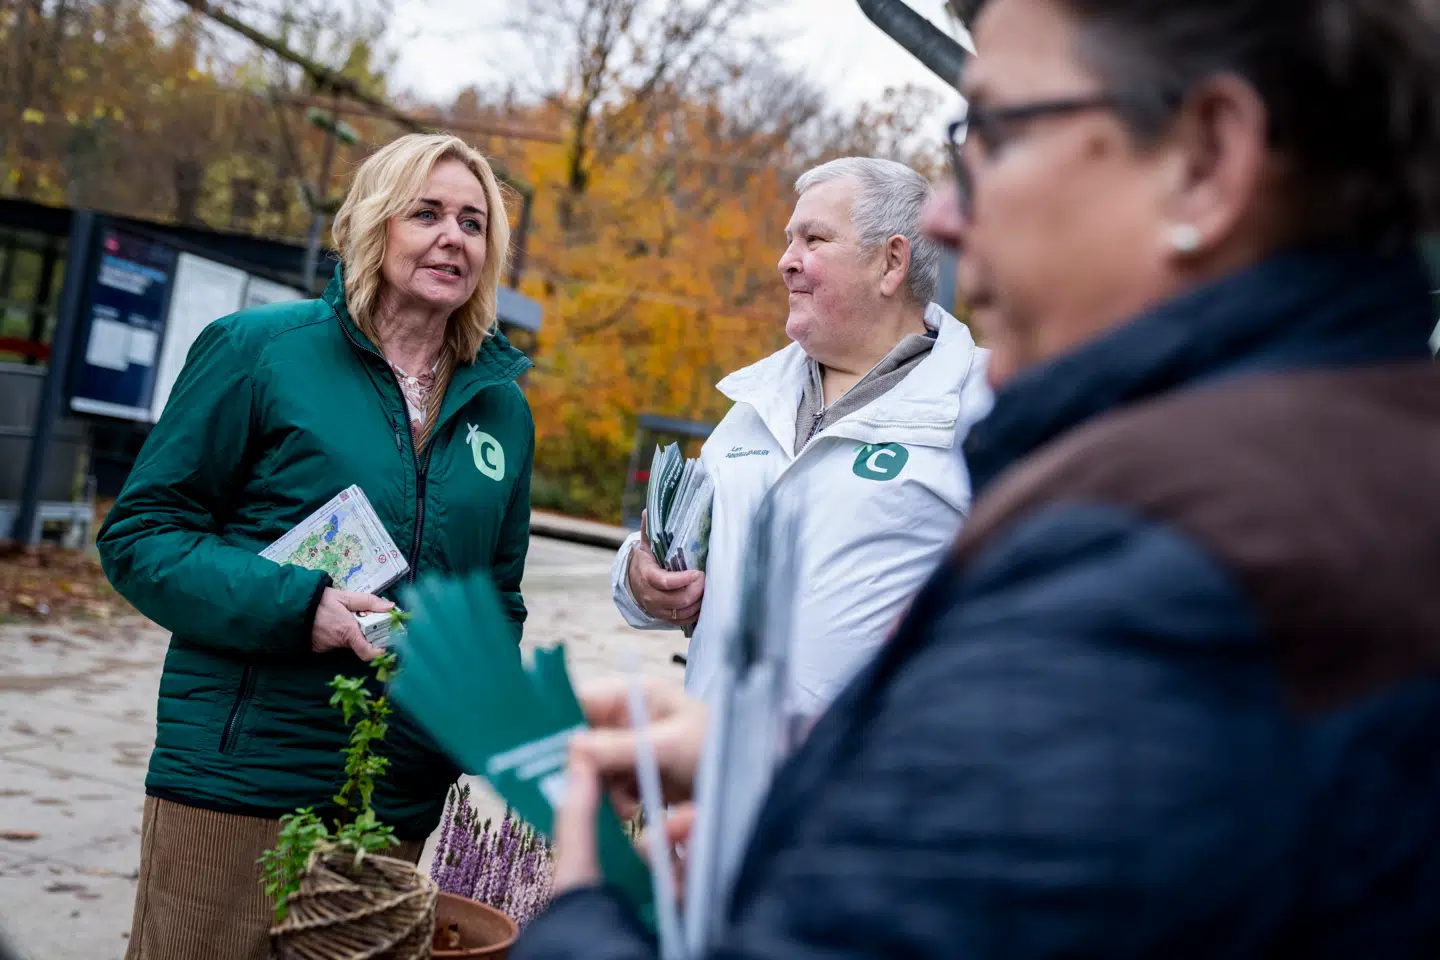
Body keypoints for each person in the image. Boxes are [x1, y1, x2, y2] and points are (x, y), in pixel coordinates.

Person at [517, 0, 1440, 956]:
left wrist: (584, 907)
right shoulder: (1349, 462)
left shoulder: (1151, 565)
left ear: (1207, 160)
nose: (951, 218)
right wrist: (793, 766)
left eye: (992, 134)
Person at [97, 133, 535, 960]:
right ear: (373, 225)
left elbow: (499, 596)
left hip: (395, 792)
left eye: (474, 224)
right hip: (238, 777)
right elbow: (141, 537)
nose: (454, 237)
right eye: (428, 213)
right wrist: (304, 607)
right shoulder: (258, 352)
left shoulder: (501, 409)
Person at [613, 156, 992, 717]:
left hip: (870, 791)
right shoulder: (753, 404)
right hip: (711, 780)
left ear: (891, 262)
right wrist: (639, 579)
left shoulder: (984, 406)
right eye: (790, 240)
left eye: (813, 239)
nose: (785, 262)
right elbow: (664, 556)